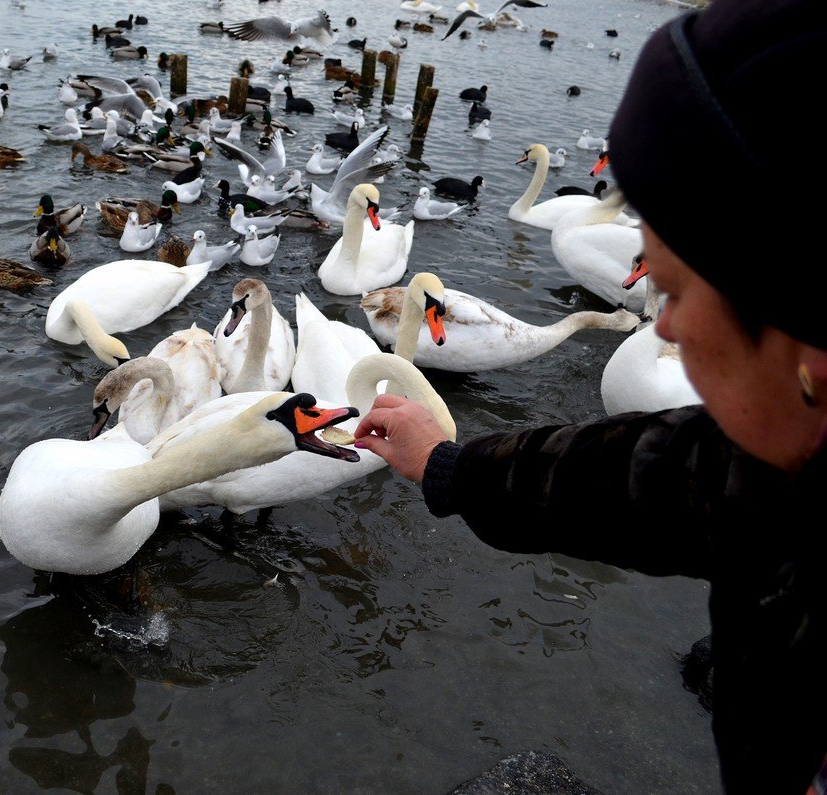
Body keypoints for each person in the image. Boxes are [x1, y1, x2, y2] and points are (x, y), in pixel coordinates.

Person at [352, 0, 827, 792]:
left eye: (671, 291)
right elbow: (613, 481)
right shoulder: (769, 464)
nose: (665, 328)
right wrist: (445, 465)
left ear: (803, 332)